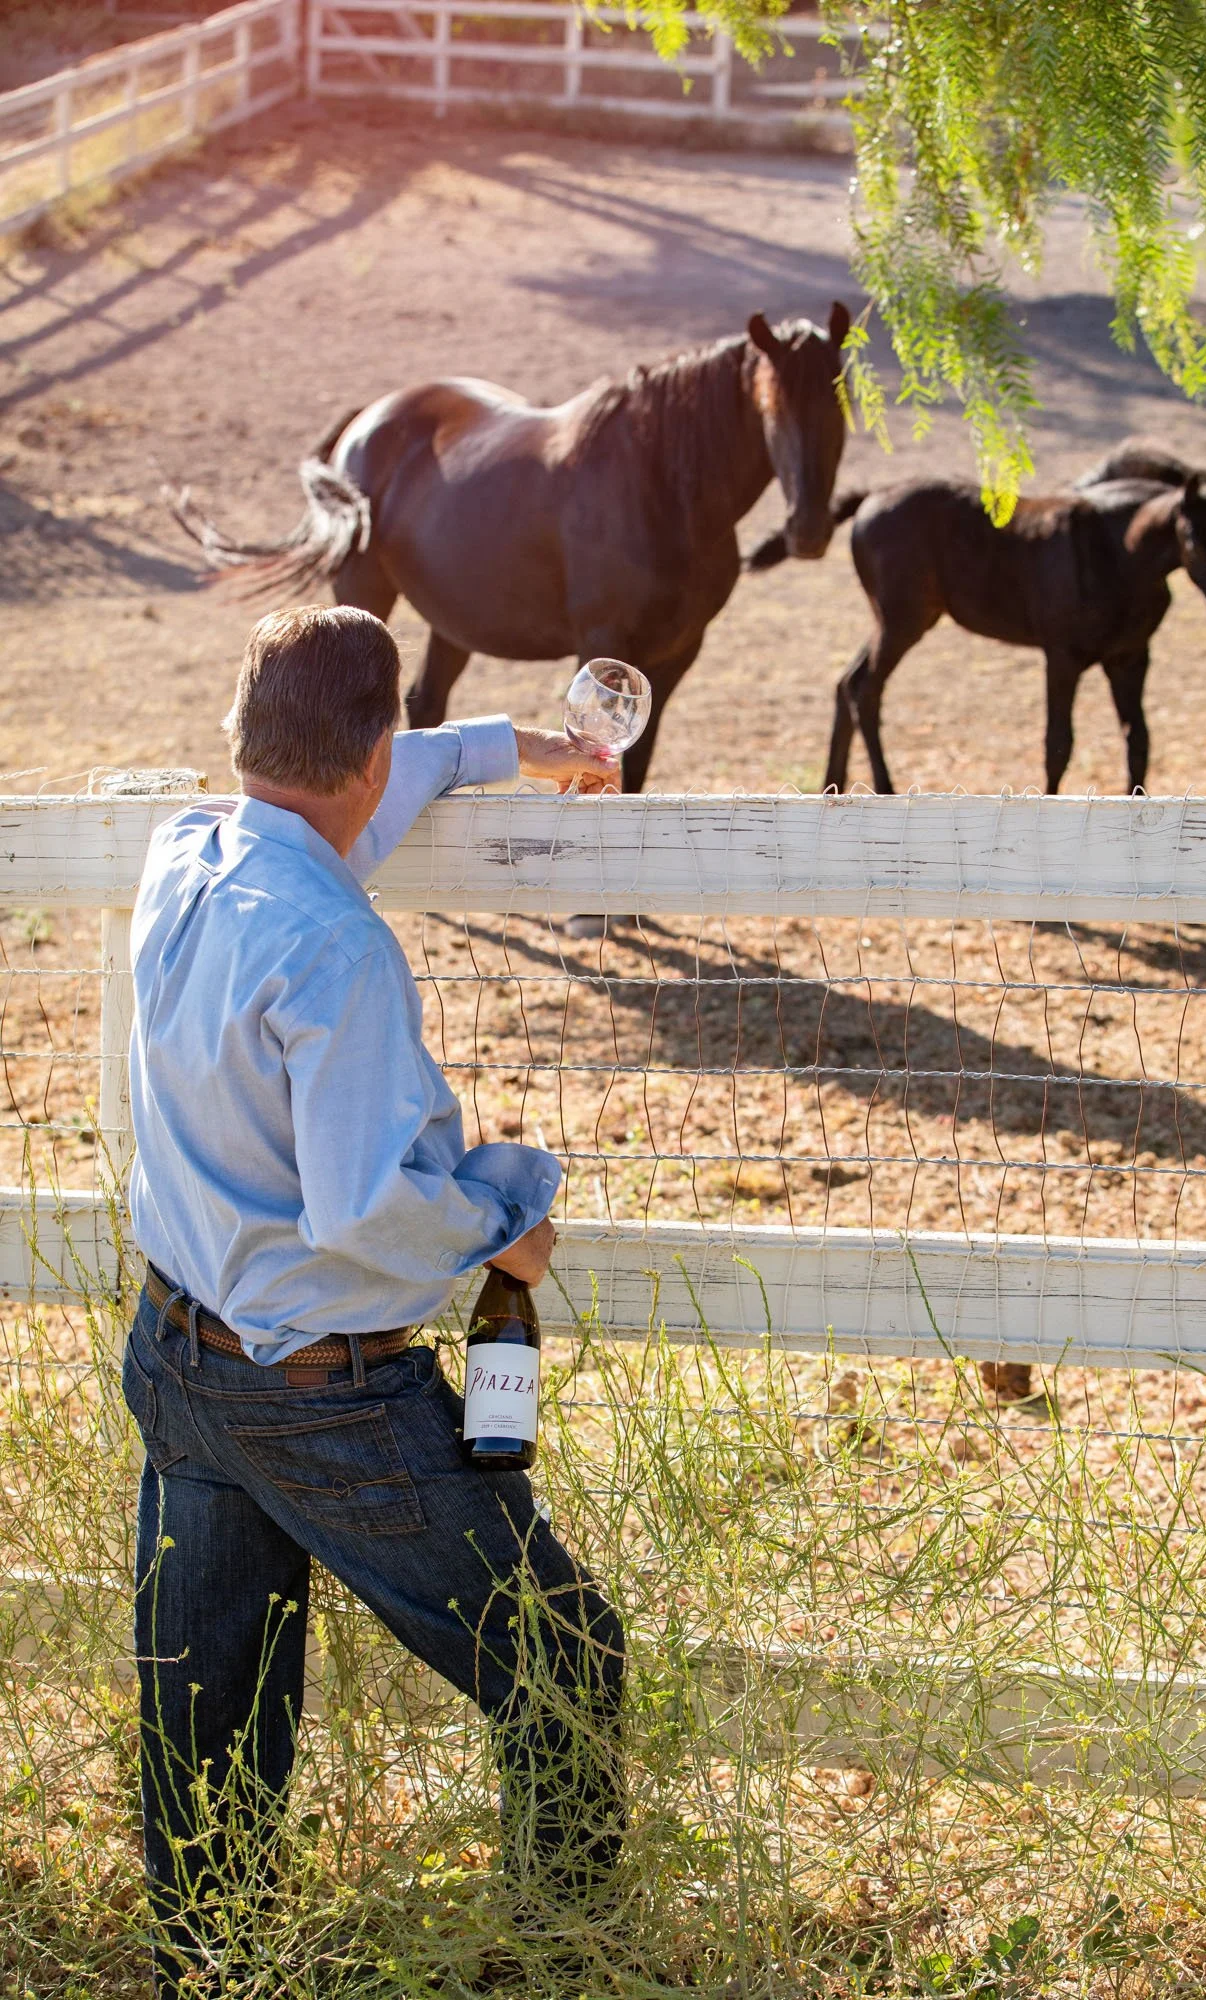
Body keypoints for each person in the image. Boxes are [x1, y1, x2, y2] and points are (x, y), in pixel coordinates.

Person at [120, 605, 625, 1995]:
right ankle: (560, 1957)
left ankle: (205, 1968)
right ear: (373, 751)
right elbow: (363, 1211)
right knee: (564, 1652)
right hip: (317, 1394)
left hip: (175, 1357)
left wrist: (502, 749)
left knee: (210, 1717)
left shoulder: (192, 853)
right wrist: (500, 1224)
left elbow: (350, 788)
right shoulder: (339, 950)